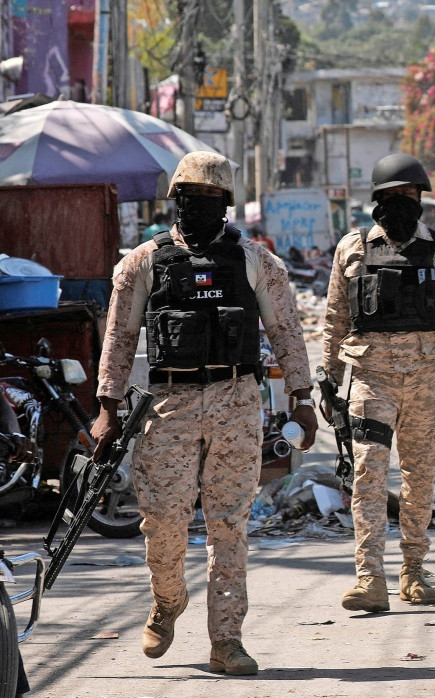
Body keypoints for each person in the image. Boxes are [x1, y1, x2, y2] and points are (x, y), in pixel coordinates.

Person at [90, 151, 317, 675]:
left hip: (236, 402)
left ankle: (226, 642)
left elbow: (286, 332)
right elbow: (120, 338)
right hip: (169, 405)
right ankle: (168, 602)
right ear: (175, 200)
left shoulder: (257, 262)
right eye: (190, 197)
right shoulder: (143, 262)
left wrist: (302, 400)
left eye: (210, 198)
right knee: (163, 522)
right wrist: (107, 407)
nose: (199, 206)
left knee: (228, 526)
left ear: (226, 204)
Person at [322, 153, 435, 613]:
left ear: (421, 199)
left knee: (420, 477)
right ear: (377, 200)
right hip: (370, 379)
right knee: (368, 475)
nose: (402, 203)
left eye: (409, 196)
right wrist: (328, 380)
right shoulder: (352, 248)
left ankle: (413, 571)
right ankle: (368, 578)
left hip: (421, 380)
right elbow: (336, 317)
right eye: (393, 196)